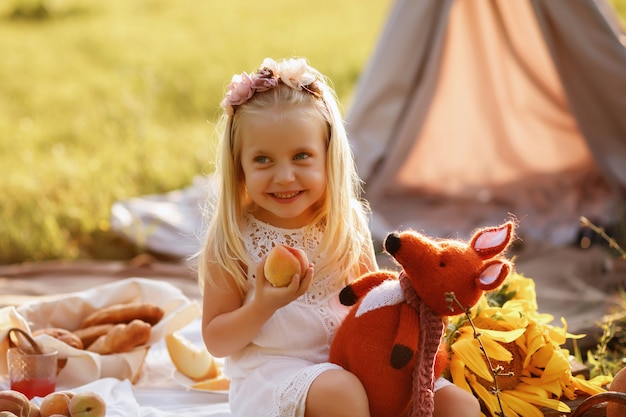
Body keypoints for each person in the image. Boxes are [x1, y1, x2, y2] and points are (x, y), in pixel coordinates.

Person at [197, 57, 480, 417]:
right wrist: (262, 305)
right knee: (341, 393)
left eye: (301, 156)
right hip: (275, 375)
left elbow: (373, 301)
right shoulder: (235, 239)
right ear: (240, 166)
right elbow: (216, 341)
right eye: (263, 160)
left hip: (355, 361)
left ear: (328, 157)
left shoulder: (343, 224)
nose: (284, 176)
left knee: (459, 405)